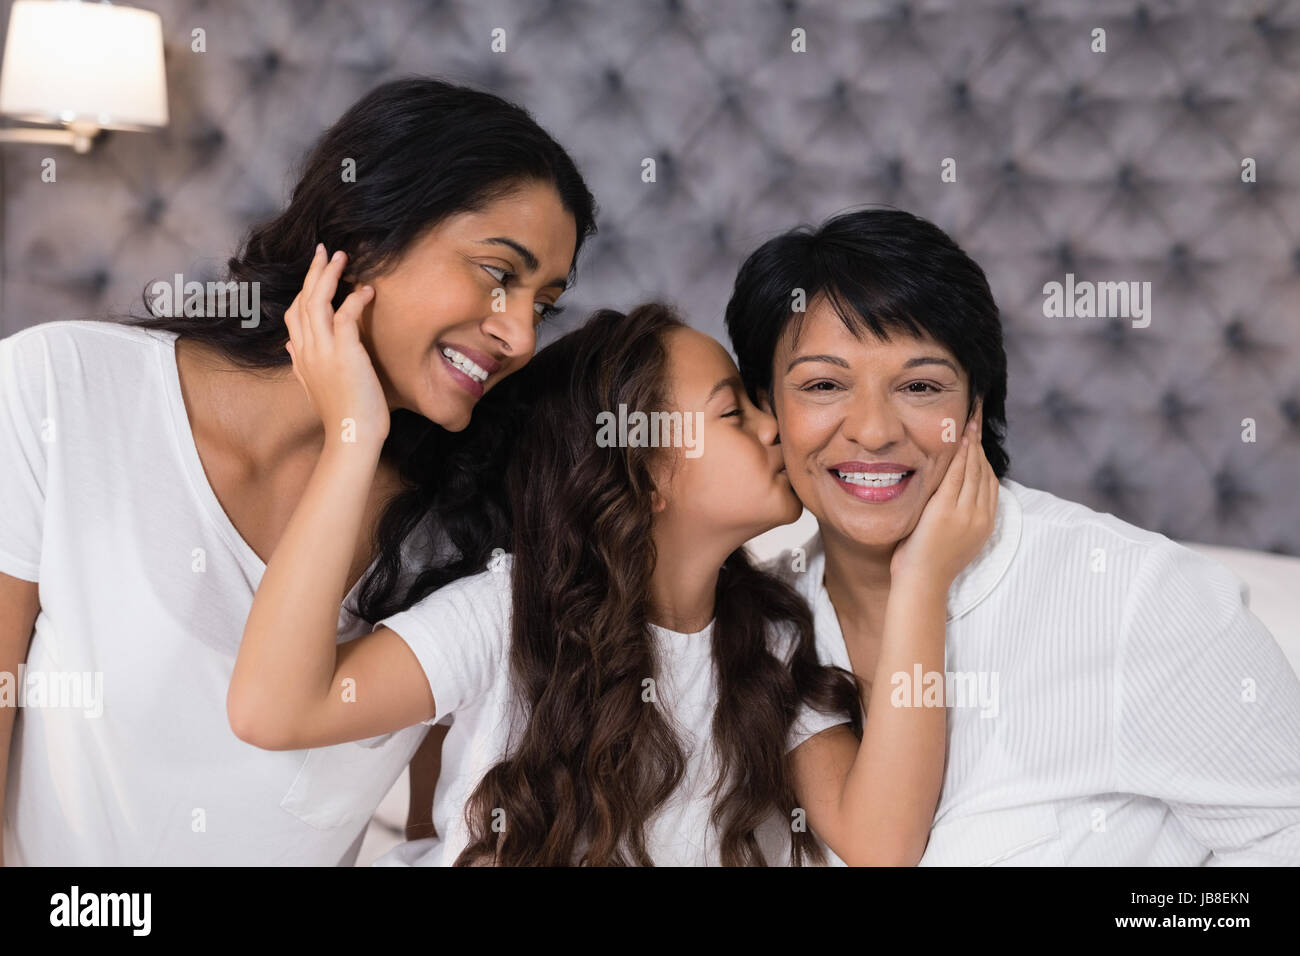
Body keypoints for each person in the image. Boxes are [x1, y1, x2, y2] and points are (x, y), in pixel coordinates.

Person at [0, 76, 597, 865]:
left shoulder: (465, 528)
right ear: (367, 236)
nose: (520, 334)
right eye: (498, 274)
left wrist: (354, 441)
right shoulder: (59, 389)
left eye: (544, 304)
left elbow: (432, 834)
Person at [227, 294, 998, 865]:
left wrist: (922, 580)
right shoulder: (506, 614)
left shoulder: (765, 638)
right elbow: (275, 709)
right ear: (644, 473)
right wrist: (354, 436)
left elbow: (882, 843)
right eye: (735, 412)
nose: (777, 427)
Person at [725, 206, 1300, 865]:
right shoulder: (759, 624)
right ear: (767, 409)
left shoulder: (1138, 597)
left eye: (919, 386)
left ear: (975, 406)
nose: (875, 430)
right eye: (824, 385)